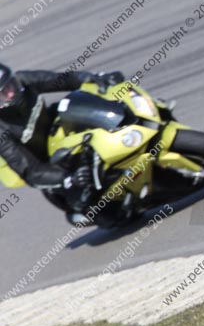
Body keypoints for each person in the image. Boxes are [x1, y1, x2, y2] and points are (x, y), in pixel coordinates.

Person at [0, 64, 123, 214]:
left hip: (57, 128)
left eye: (11, 85)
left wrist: (93, 77)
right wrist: (68, 178)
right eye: (4, 93)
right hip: (50, 163)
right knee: (98, 207)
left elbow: (63, 79)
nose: (12, 94)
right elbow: (30, 171)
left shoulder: (24, 81)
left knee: (83, 99)